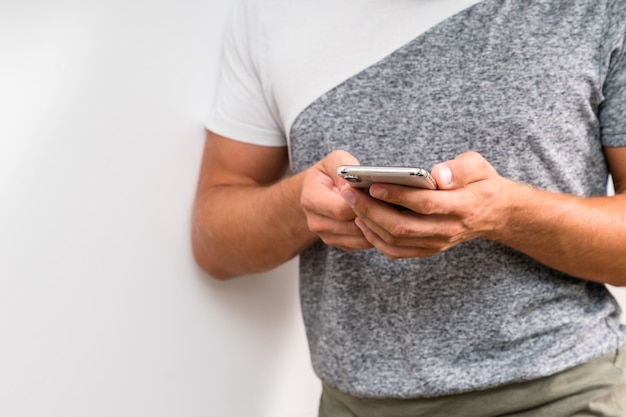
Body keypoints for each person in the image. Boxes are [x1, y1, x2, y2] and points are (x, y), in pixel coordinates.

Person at [192, 0, 626, 415]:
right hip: (351, 405)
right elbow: (215, 244)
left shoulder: (602, 9)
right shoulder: (272, 11)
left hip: (562, 397)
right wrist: (300, 203)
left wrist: (506, 214)